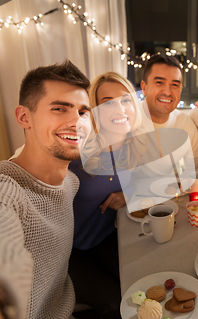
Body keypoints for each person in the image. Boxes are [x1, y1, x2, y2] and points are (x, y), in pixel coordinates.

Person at [0, 61, 92, 318]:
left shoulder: (71, 182)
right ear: (24, 117)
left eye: (83, 112)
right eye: (60, 108)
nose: (76, 121)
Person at [68, 71, 149, 318]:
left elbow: (160, 178)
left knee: (140, 287)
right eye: (106, 102)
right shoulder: (77, 148)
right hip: (67, 252)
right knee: (115, 304)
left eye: (125, 99)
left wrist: (127, 194)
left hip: (104, 238)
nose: (119, 108)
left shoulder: (135, 147)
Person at [139, 54, 198, 176]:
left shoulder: (185, 124)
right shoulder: (128, 119)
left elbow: (196, 169)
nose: (167, 92)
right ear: (144, 87)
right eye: (159, 82)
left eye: (174, 85)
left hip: (170, 192)